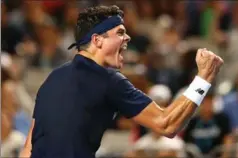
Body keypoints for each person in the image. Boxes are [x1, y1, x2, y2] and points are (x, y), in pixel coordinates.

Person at [20, 5, 223, 158]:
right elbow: (167, 124)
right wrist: (203, 78)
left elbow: (29, 146)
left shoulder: (52, 79)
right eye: (119, 32)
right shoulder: (107, 79)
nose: (127, 38)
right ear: (97, 40)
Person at [183, 88, 232, 157]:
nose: (207, 105)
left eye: (209, 101)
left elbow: (228, 139)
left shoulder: (222, 119)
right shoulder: (192, 122)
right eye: (204, 102)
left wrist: (225, 155)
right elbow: (187, 144)